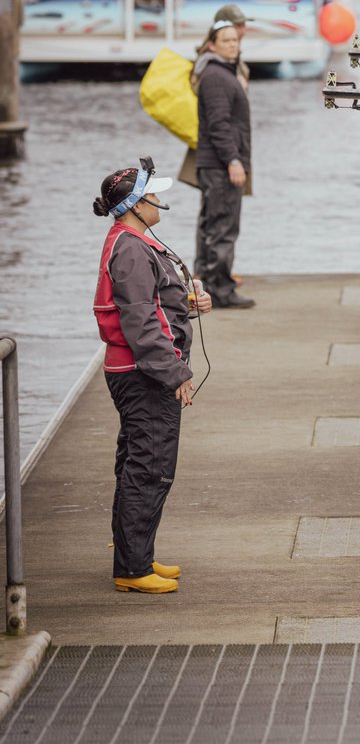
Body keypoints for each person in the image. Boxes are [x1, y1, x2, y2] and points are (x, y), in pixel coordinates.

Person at [92, 159, 211, 594]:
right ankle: (132, 569)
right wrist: (175, 373)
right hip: (143, 376)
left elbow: (153, 306)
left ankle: (137, 555)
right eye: (152, 194)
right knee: (149, 467)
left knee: (140, 463)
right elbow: (141, 323)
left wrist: (188, 304)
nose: (159, 200)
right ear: (135, 206)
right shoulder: (130, 249)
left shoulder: (132, 242)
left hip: (139, 371)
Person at [194, 19, 254, 308]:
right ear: (212, 45)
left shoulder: (220, 72)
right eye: (226, 40)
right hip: (219, 165)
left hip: (213, 164)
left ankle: (210, 286)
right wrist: (233, 160)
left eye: (235, 40)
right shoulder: (216, 76)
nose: (233, 44)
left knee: (213, 224)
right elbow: (219, 125)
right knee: (223, 227)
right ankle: (221, 290)